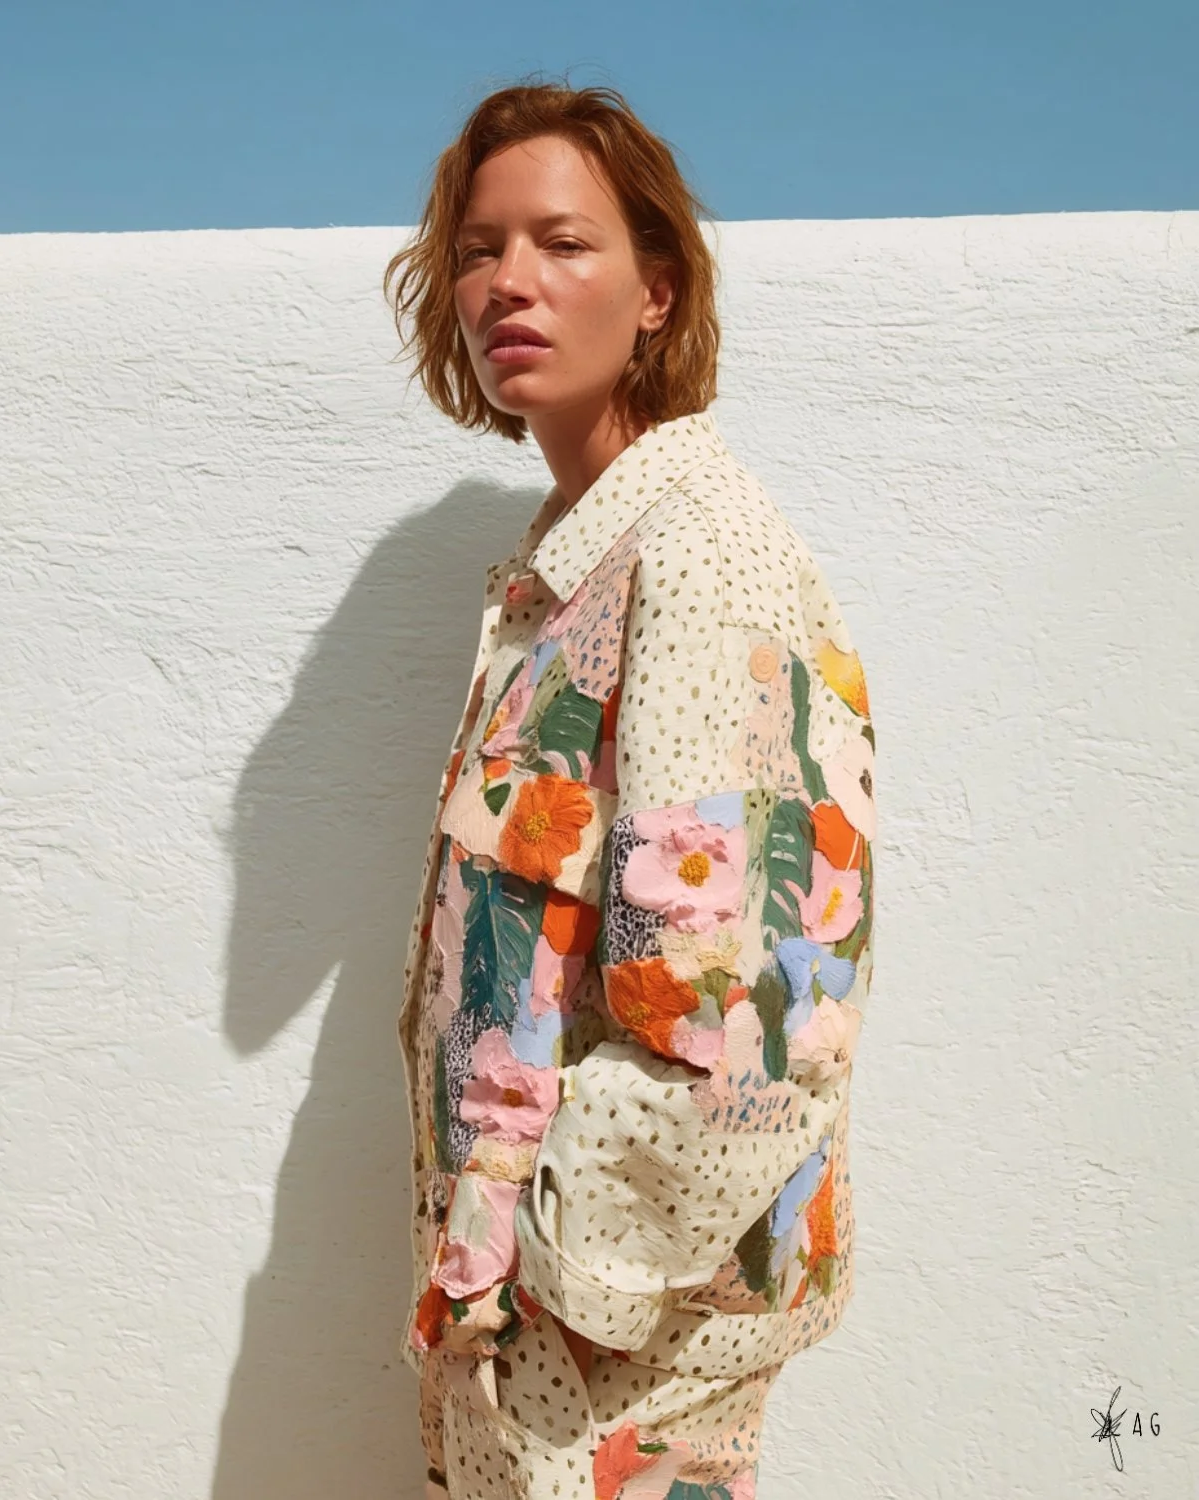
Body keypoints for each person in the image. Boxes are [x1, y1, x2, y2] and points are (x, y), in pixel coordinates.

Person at [385, 77, 877, 1500]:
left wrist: (561, 1277)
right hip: (525, 1332)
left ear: (657, 291)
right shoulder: (569, 569)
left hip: (622, 1354)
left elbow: (748, 1007)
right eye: (479, 249)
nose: (507, 283)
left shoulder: (698, 550)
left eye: (563, 243)